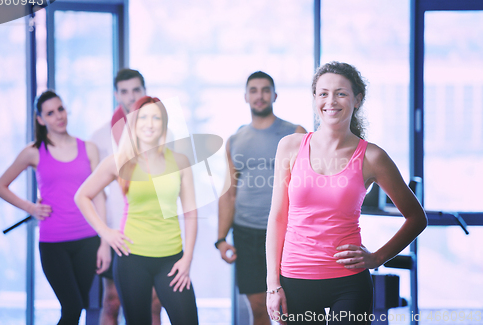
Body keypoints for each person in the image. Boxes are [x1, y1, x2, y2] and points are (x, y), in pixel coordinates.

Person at [266, 61, 428, 325]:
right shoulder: (290, 146)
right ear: (315, 98)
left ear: (357, 99)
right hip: (295, 278)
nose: (331, 101)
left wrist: (377, 257)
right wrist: (273, 285)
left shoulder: (372, 157)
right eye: (323, 93)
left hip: (349, 282)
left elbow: (416, 217)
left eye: (341, 93)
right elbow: (277, 218)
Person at [75, 96, 199, 325]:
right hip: (132, 259)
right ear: (134, 122)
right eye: (143, 117)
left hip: (172, 260)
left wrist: (187, 258)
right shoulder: (119, 161)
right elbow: (82, 196)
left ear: (164, 123)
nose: (149, 123)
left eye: (156, 117)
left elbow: (191, 213)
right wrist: (106, 232)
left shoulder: (180, 161)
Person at [0, 90, 109, 325]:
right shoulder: (33, 152)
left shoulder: (89, 149)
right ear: (40, 119)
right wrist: (30, 207)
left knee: (79, 308)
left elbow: (99, 197)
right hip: (53, 244)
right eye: (50, 113)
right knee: (72, 307)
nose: (58, 116)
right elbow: (0, 186)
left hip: (88, 241)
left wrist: (104, 243)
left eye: (60, 109)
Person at [216, 71, 306, 325]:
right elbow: (228, 193)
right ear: (245, 97)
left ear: (275, 95)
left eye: (265, 90)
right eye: (253, 90)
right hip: (247, 234)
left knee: (291, 310)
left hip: (288, 233)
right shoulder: (235, 140)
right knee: (259, 309)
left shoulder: (295, 134)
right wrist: (221, 238)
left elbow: (310, 187)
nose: (259, 95)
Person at [89, 68, 163, 325]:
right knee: (112, 301)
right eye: (124, 91)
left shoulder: (162, 135)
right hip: (117, 230)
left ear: (145, 91)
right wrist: (104, 240)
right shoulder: (100, 138)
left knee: (155, 302)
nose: (131, 96)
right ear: (115, 94)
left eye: (136, 90)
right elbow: (94, 193)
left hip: (154, 229)